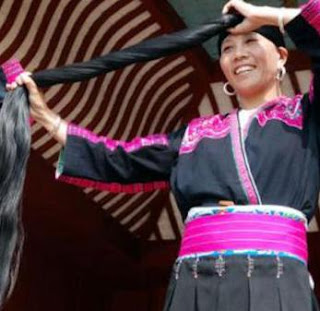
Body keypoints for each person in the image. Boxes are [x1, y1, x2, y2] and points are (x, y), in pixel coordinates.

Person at [7, 0, 320, 310]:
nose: (238, 54)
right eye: (226, 48)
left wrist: (269, 15)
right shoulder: (193, 135)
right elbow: (120, 159)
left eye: (251, 40)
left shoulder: (306, 115)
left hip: (276, 279)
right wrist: (46, 117)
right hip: (196, 284)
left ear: (281, 55)